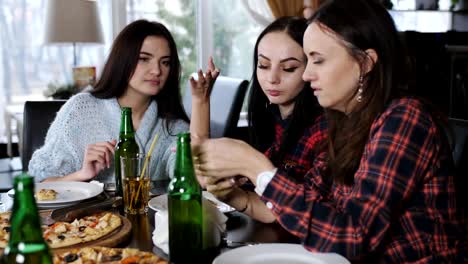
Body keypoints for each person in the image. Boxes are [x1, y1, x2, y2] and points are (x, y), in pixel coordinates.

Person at [197, 0, 465, 262]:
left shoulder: (405, 119)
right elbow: (300, 206)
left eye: (318, 61)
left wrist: (256, 166)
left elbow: (354, 238)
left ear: (365, 62)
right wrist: (235, 196)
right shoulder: (345, 122)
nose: (306, 75)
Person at [28, 19, 219, 184]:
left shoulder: (172, 126)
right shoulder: (80, 110)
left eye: (165, 62)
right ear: (123, 60)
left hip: (151, 225)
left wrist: (201, 101)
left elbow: (196, 176)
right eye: (144, 59)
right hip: (87, 224)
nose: (157, 71)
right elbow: (41, 182)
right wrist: (82, 175)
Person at [199, 16, 325, 223]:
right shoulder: (271, 118)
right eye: (264, 65)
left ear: (311, 69)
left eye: (289, 68)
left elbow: (310, 214)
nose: (272, 78)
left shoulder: (321, 130)